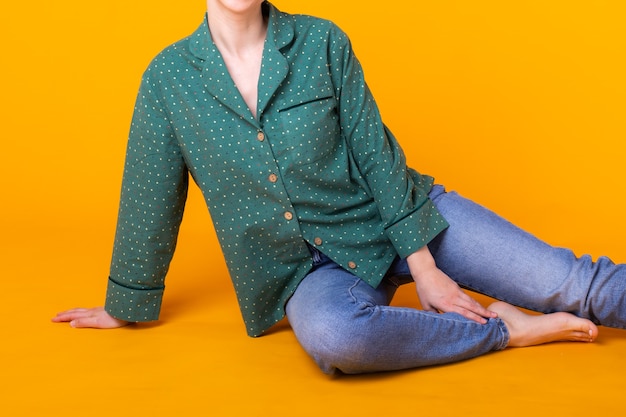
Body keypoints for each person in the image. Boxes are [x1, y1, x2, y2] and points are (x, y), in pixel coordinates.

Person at [53, 0, 625, 374]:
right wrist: (125, 304)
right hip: (308, 271)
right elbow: (150, 194)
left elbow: (376, 155)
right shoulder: (168, 78)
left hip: (408, 218)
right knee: (338, 340)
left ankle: (521, 305)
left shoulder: (322, 42)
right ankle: (507, 331)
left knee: (570, 284)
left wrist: (424, 268)